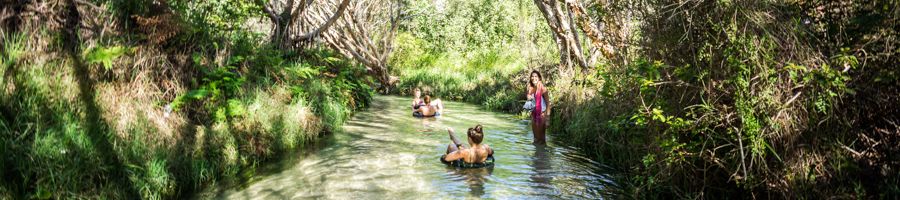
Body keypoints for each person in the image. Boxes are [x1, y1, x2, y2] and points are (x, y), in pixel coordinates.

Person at [527, 70, 550, 144]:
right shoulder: (530, 89)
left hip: (542, 115)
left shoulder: (543, 89)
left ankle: (543, 154)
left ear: (539, 78)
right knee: (535, 139)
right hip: (534, 115)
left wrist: (547, 119)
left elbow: (548, 105)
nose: (534, 78)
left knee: (541, 140)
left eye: (536, 76)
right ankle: (536, 155)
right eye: (532, 76)